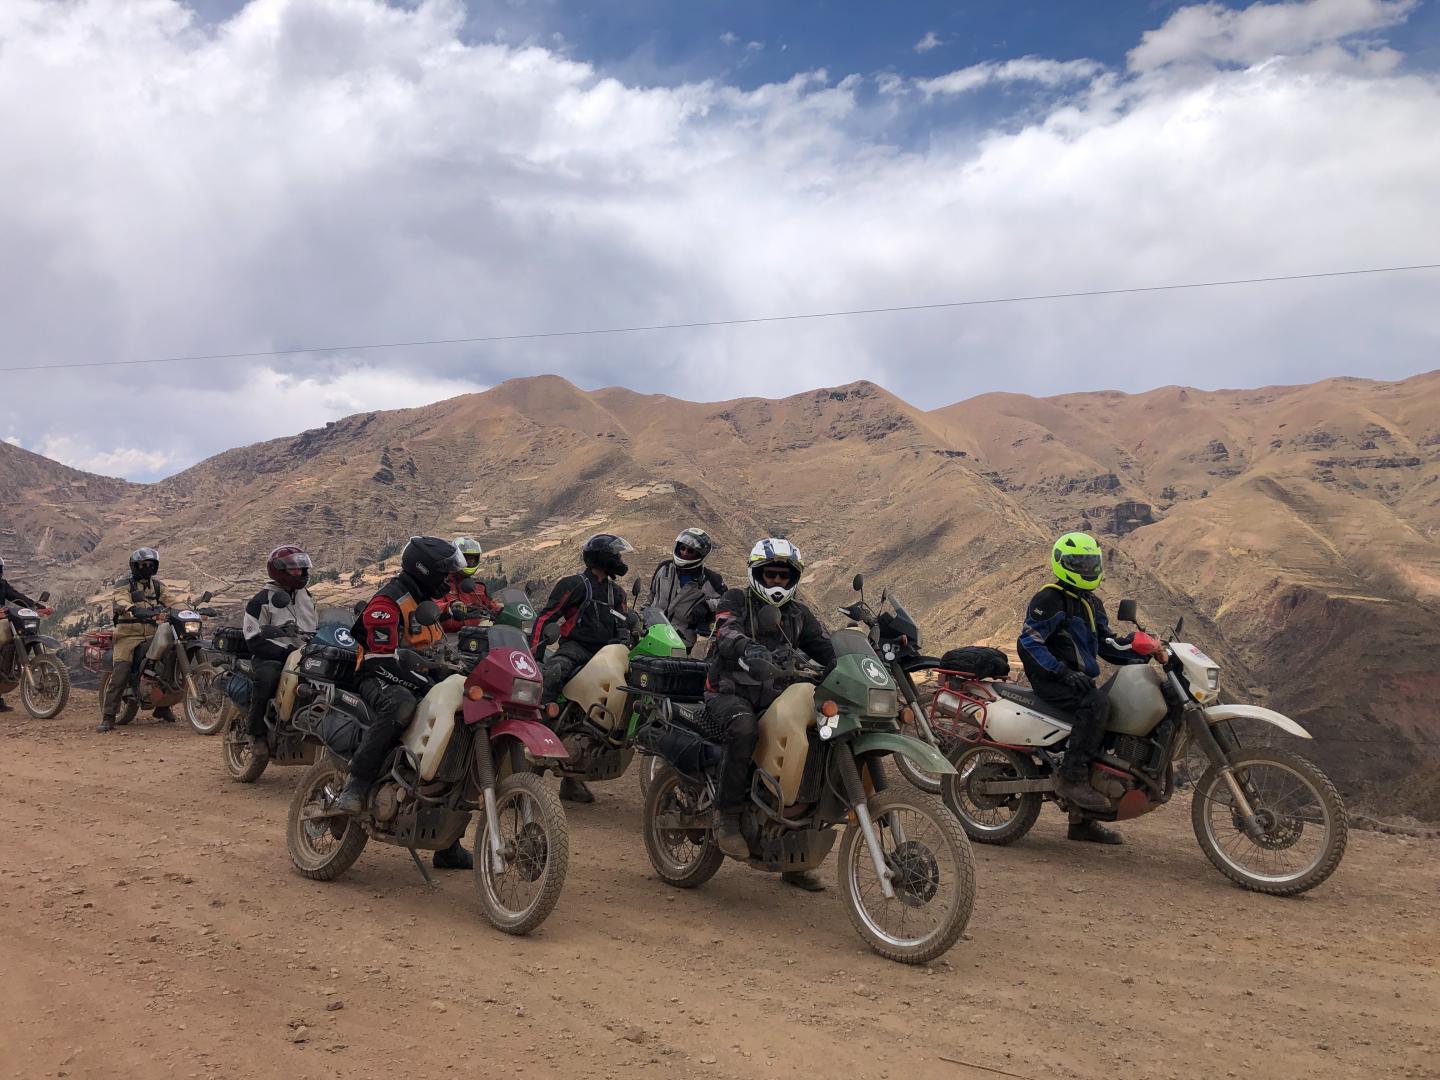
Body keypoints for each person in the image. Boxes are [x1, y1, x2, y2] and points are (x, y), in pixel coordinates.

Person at [335, 536, 472, 869]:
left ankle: (448, 841)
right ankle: (358, 781)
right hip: (377, 675)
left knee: (463, 722)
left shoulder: (423, 600)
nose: (448, 580)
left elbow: (440, 649)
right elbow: (383, 658)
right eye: (444, 573)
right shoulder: (388, 602)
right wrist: (427, 677)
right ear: (424, 569)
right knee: (400, 707)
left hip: (417, 675)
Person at [707, 538, 836, 890]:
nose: (777, 582)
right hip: (729, 692)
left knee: (817, 743)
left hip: (778, 697)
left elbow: (826, 647)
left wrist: (854, 659)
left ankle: (796, 852)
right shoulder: (736, 599)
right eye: (770, 575)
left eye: (783, 576)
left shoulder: (798, 614)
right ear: (756, 575)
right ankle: (727, 817)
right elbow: (725, 631)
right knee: (744, 728)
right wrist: (748, 647)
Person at [1017, 531, 1158, 844]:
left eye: (1090, 562)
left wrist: (1145, 652)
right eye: (1079, 562)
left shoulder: (1091, 602)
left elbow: (1107, 645)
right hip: (1052, 680)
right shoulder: (1049, 598)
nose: (1086, 568)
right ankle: (1071, 778)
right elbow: (1029, 642)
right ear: (1063, 563)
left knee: (1112, 712)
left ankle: (1081, 822)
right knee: (1096, 704)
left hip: (1078, 680)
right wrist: (1061, 671)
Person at [530, 533, 637, 803]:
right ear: (602, 557)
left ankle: (574, 776)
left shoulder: (618, 593)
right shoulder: (575, 584)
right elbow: (546, 618)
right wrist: (535, 653)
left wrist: (628, 633)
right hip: (576, 648)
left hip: (607, 654)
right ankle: (537, 731)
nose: (620, 561)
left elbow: (623, 622)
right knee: (553, 673)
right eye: (617, 555)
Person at [241, 545, 320, 763]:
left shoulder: (305, 595)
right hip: (271, 656)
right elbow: (253, 640)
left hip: (303, 654)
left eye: (303, 569)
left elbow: (315, 625)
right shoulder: (261, 600)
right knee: (267, 678)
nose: (301, 574)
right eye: (295, 570)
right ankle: (255, 732)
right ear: (278, 570)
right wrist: (284, 651)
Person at [99, 548, 177, 732]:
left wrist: (187, 610)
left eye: (150, 564)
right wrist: (132, 609)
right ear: (135, 566)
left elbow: (173, 601)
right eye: (143, 565)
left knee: (168, 658)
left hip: (152, 633)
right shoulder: (124, 584)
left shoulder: (157, 586)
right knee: (121, 672)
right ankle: (108, 716)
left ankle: (162, 707)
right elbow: (120, 600)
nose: (147, 568)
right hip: (128, 635)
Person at [643, 528, 725, 651]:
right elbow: (651, 596)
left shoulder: (710, 579)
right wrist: (642, 617)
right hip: (651, 633)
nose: (684, 553)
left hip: (680, 642)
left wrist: (707, 605)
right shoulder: (664, 568)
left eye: (690, 551)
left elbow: (726, 602)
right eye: (682, 548)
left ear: (700, 555)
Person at [0, 555, 42, 713]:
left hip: (2, 619)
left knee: (10, 640)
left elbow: (16, 596)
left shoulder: (2, 585)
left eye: (0, 569)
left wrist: (33, 604)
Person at [438, 536, 501, 634]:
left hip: (475, 637)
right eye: (466, 559)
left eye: (472, 559)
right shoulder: (441, 584)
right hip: (448, 639)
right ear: (456, 558)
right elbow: (433, 608)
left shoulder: (479, 588)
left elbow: (492, 607)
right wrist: (449, 607)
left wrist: (503, 610)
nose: (469, 562)